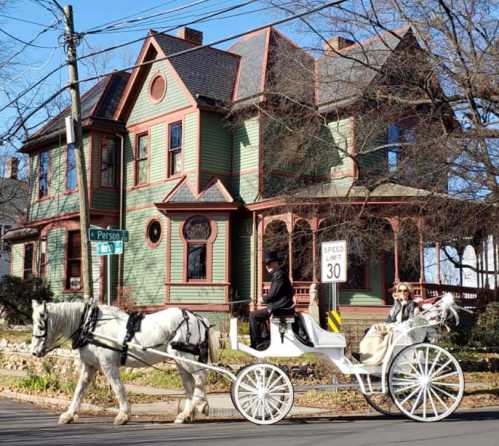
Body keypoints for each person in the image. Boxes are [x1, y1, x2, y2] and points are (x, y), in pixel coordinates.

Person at [359, 282, 418, 365]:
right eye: (400, 291)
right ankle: (367, 355)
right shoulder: (396, 305)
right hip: (391, 326)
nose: (402, 293)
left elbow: (411, 321)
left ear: (409, 292)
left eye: (405, 291)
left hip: (401, 329)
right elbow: (389, 319)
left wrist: (403, 304)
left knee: (376, 329)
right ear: (397, 292)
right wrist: (396, 302)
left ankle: (375, 358)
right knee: (373, 330)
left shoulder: (413, 306)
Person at [249, 251, 294, 350]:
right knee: (258, 316)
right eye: (266, 264)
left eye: (269, 263)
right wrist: (266, 300)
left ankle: (258, 343)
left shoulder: (279, 274)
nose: (267, 266)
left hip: (281, 307)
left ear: (276, 263)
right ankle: (264, 339)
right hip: (280, 306)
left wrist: (263, 299)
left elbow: (273, 294)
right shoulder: (279, 274)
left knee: (253, 315)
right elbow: (275, 294)